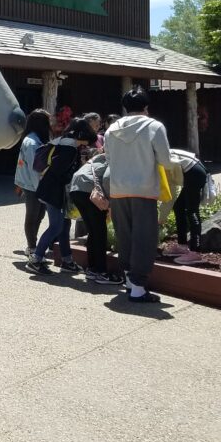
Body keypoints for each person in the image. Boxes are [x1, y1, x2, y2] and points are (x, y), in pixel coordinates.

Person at [103, 86, 171, 303]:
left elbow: (109, 160)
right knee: (144, 237)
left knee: (124, 236)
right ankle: (139, 287)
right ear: (146, 107)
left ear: (125, 107)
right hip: (144, 189)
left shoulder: (111, 129)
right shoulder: (154, 126)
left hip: (118, 189)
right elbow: (166, 160)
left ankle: (130, 281)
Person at [25, 116, 97, 276]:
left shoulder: (62, 142)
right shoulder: (69, 149)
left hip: (50, 189)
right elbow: (59, 171)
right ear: (82, 136)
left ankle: (67, 260)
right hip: (54, 192)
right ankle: (36, 259)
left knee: (64, 226)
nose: (86, 145)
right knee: (56, 226)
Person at [68, 153, 123, 285]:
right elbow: (107, 178)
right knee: (99, 232)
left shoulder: (99, 157)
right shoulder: (114, 158)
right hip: (90, 191)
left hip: (76, 189)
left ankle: (92, 269)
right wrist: (109, 202)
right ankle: (101, 272)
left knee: (93, 231)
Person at [159, 149, 209, 266]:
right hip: (192, 170)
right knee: (178, 207)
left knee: (192, 211)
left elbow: (169, 194)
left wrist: (161, 218)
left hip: (194, 172)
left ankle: (195, 253)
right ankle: (182, 246)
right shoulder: (158, 156)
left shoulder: (160, 162)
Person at [14, 108, 51, 260]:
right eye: (48, 121)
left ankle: (33, 245)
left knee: (39, 215)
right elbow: (34, 168)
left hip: (36, 185)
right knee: (32, 216)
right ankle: (32, 247)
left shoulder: (36, 139)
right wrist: (41, 190)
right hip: (33, 186)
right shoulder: (32, 142)